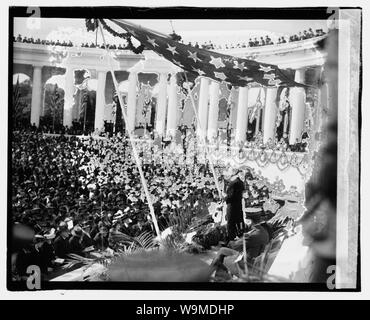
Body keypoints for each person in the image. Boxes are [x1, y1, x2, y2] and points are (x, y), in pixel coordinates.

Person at [223, 168, 245, 241]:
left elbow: (231, 197)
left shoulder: (234, 183)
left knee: (231, 222)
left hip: (232, 205)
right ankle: (239, 235)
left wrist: (224, 197)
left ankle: (231, 239)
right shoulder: (239, 182)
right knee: (238, 220)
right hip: (238, 205)